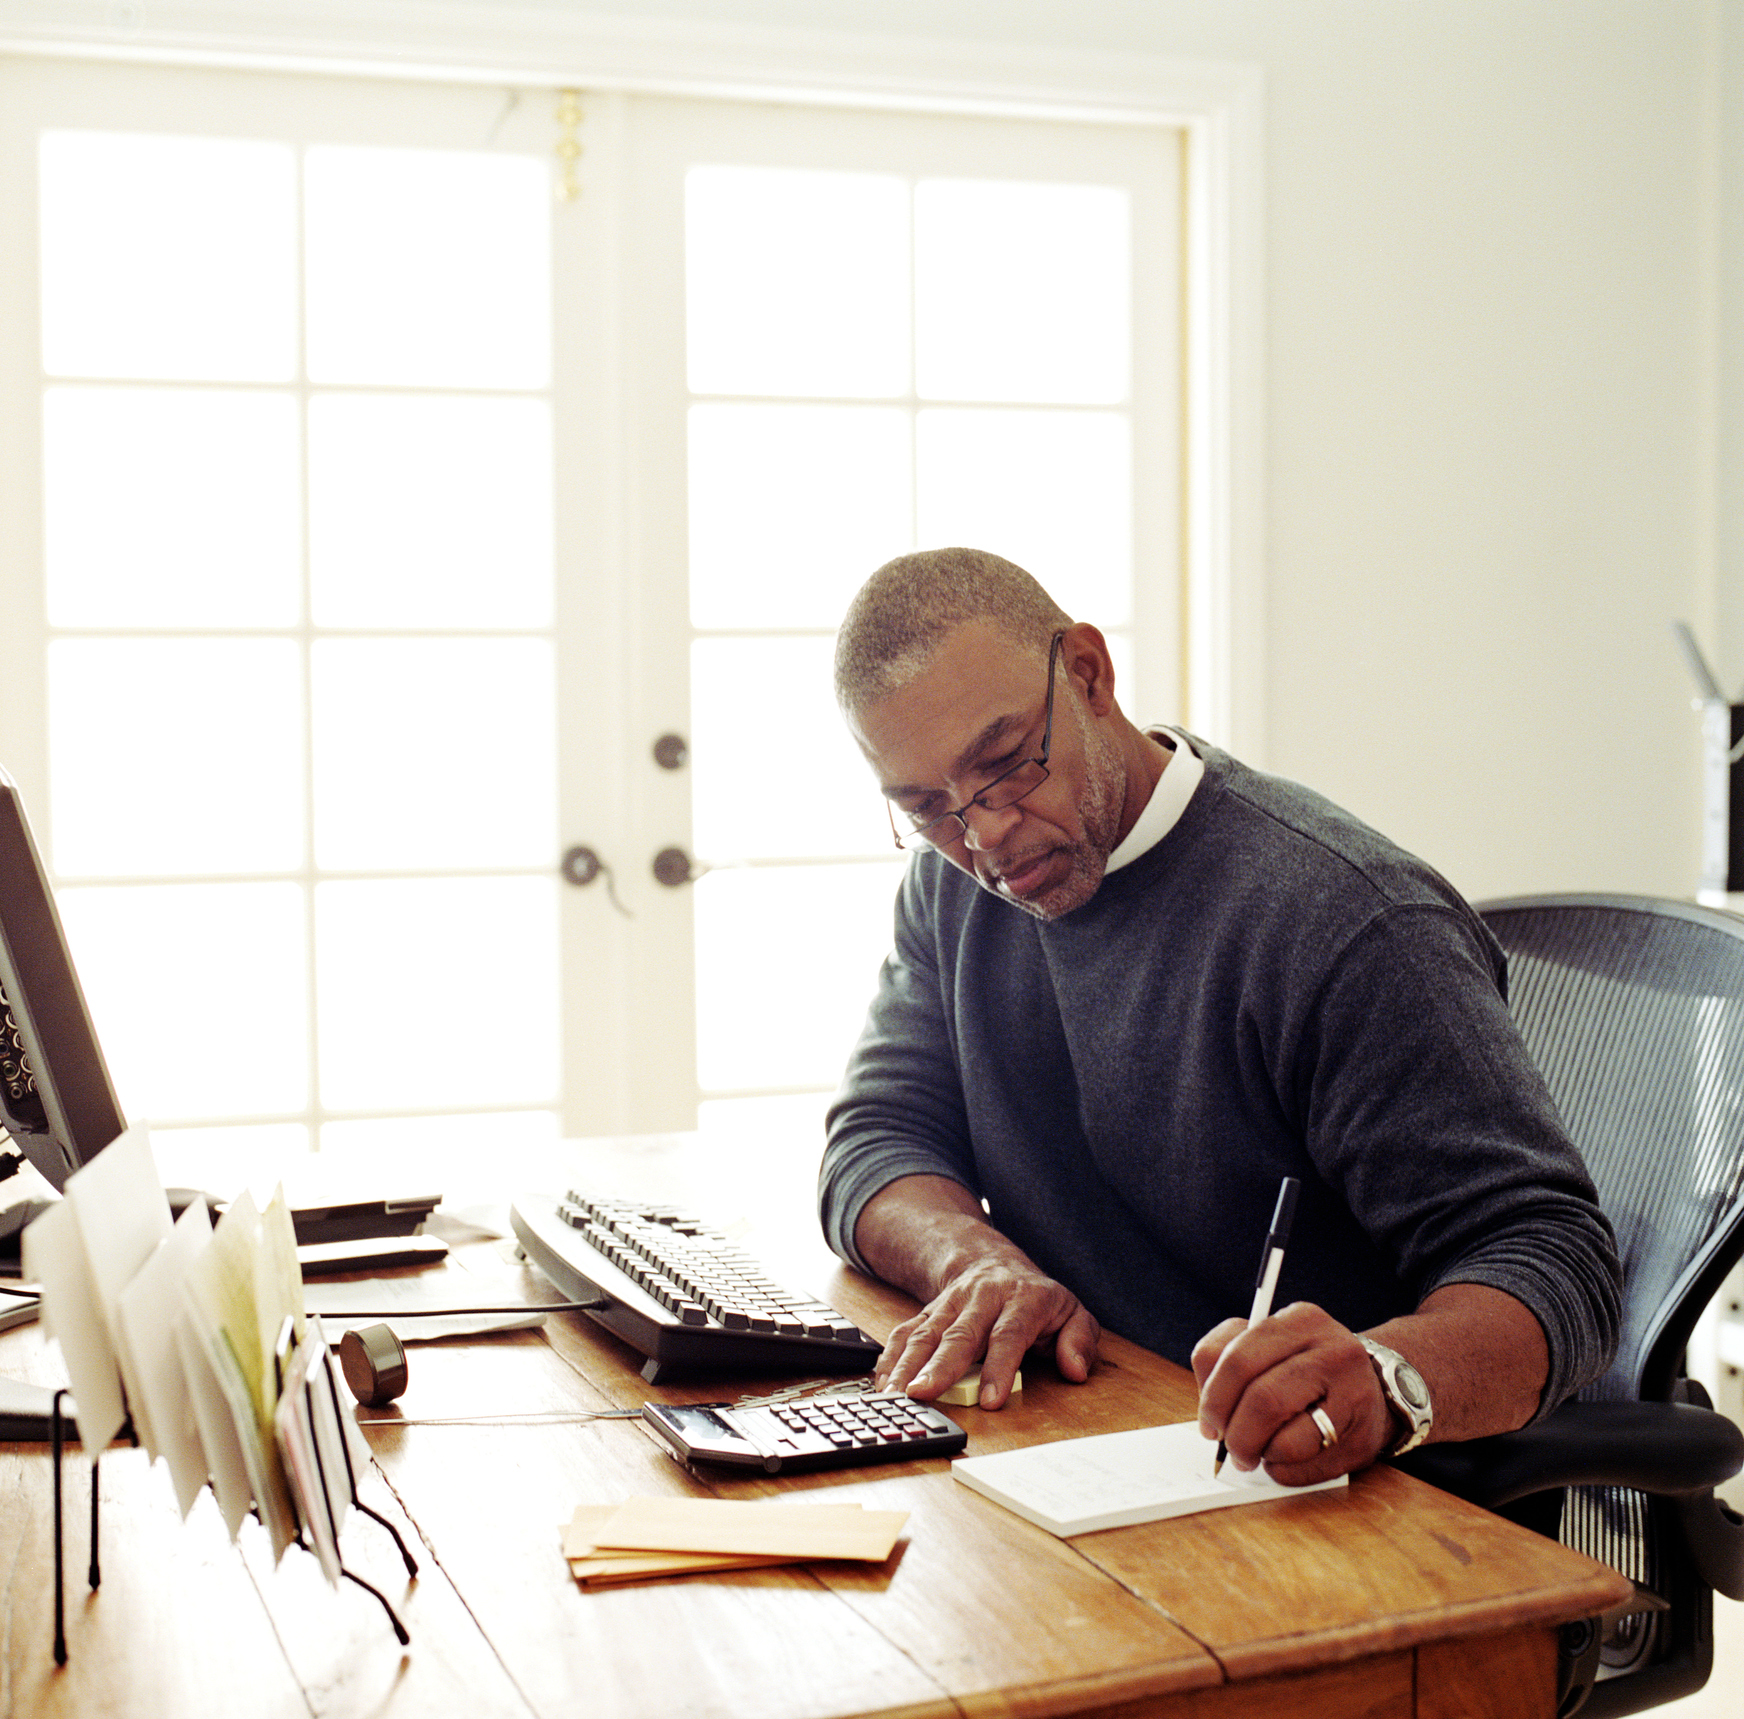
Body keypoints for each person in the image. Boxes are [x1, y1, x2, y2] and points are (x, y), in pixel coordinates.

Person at [818, 547, 1622, 1485]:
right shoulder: (952, 889)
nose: (983, 834)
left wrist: (1385, 1377)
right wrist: (975, 1264)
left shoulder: (1345, 922)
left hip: (1338, 1499)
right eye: (928, 807)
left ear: (1088, 673)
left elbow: (1558, 1260)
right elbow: (878, 1138)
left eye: (1005, 765)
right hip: (1090, 1449)